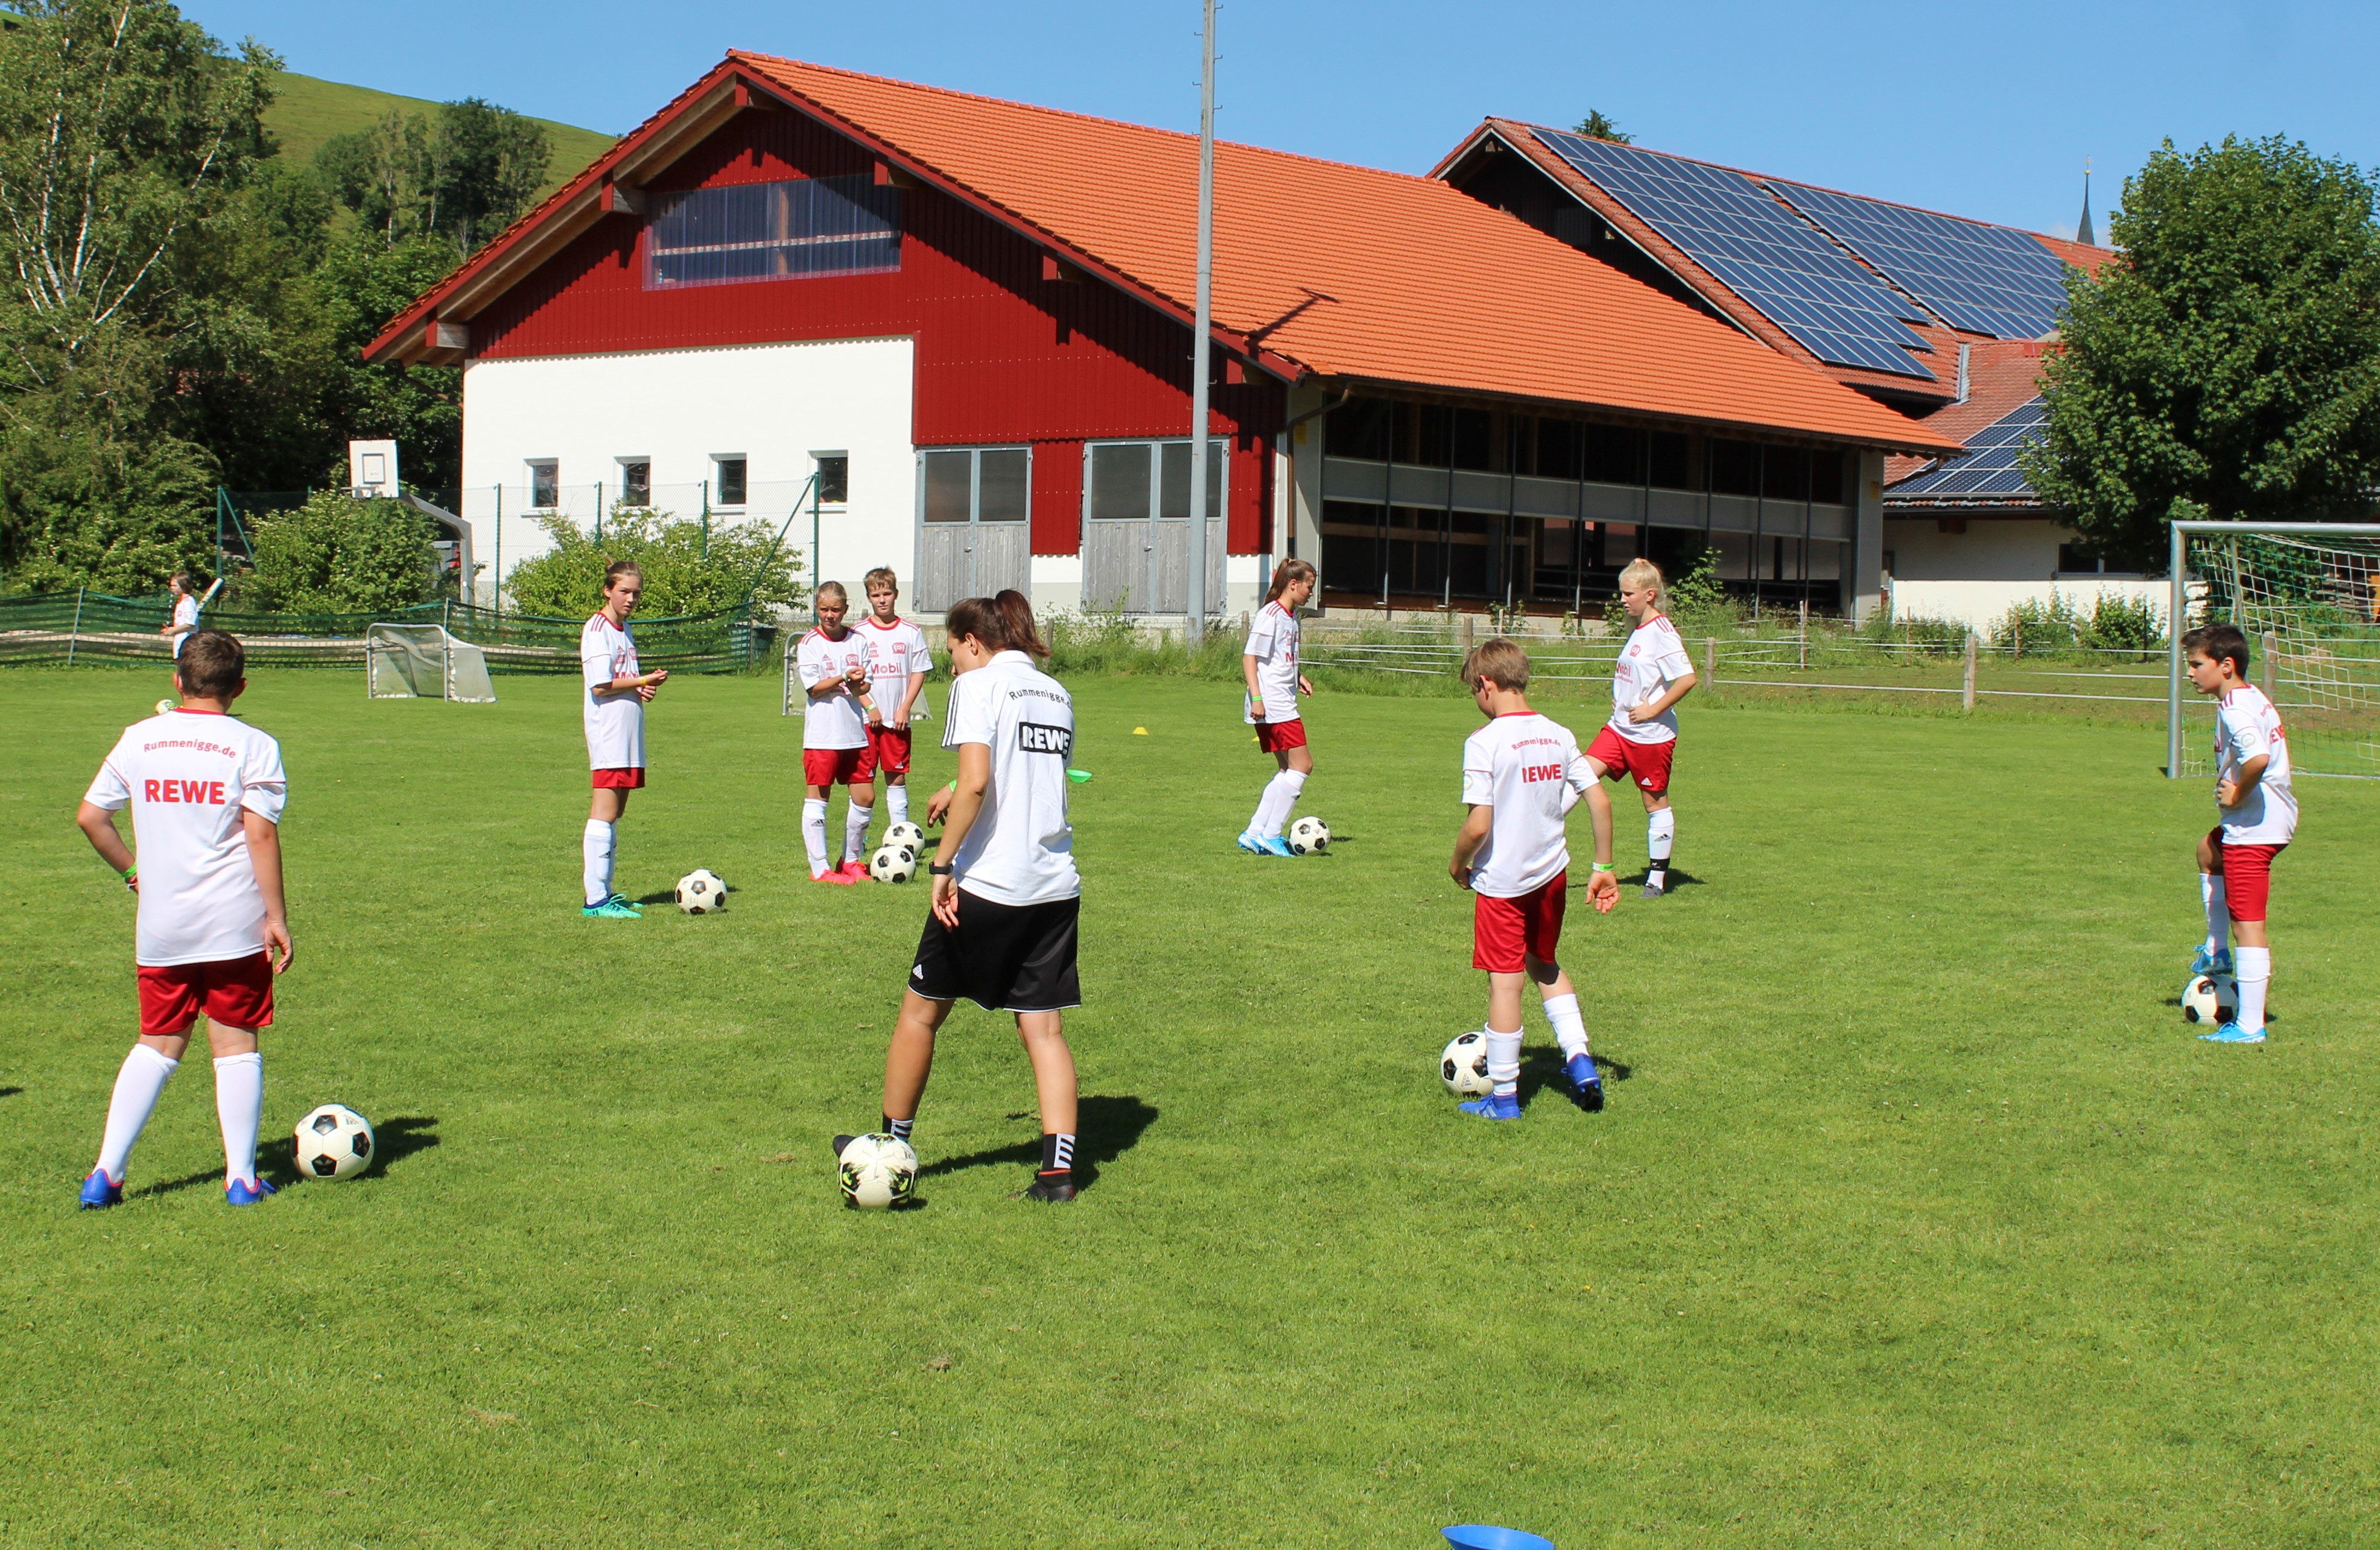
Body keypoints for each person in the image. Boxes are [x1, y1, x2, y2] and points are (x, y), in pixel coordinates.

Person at [836, 590, 1085, 1202]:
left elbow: (979, 780)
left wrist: (943, 864)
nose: (952, 665)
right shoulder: (1056, 692)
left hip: (991, 884)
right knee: (1044, 1030)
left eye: (953, 651)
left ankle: (888, 1145)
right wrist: (956, 785)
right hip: (1054, 885)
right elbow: (1024, 772)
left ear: (973, 641)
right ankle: (1058, 1174)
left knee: (921, 1011)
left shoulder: (977, 686)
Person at [74, 629, 292, 1207]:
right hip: (233, 924)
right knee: (235, 1043)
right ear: (240, 687)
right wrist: (276, 917)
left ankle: (105, 1174)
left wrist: (133, 872)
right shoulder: (254, 744)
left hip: (162, 925)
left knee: (157, 1043)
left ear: (177, 680)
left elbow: (91, 817)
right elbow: (260, 835)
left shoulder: (139, 738)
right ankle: (241, 1179)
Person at [1449, 638, 1619, 1120]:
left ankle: (1504, 1099)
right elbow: (1599, 800)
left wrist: (1457, 863)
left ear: (1486, 684)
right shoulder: (1557, 733)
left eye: (1473, 691)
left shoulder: (1484, 741)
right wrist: (1603, 868)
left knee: (1505, 986)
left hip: (1503, 885)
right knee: (1543, 963)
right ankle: (1579, 1059)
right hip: (1551, 877)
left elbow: (1478, 824)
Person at [2185, 623, 2295, 1045]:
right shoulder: (2248, 697)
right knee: (2208, 851)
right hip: (2264, 821)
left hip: (2254, 829)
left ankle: (2250, 1026)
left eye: (2197, 664)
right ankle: (2215, 951)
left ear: (2225, 665)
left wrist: (2236, 794)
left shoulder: (2234, 709)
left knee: (2247, 925)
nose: (2190, 673)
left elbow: (2258, 758)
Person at [1586, 558, 1697, 898]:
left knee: (1655, 804)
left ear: (1649, 595)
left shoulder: (1663, 632)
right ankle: (1533, 854)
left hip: (1650, 737)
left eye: (1628, 594)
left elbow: (1687, 679)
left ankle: (1657, 880)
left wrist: (1652, 709)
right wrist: (1622, 700)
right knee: (1579, 776)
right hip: (1619, 730)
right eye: (1621, 593)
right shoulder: (1638, 628)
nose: (1622, 600)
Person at [581, 561, 668, 919]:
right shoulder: (597, 628)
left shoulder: (625, 628)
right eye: (624, 591)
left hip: (629, 733)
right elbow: (600, 686)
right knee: (603, 813)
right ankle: (595, 901)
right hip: (609, 733)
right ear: (608, 590)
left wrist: (641, 689)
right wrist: (642, 680)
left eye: (636, 593)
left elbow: (622, 679)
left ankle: (606, 892)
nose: (631, 599)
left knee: (616, 814)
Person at [796, 582, 881, 884]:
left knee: (866, 797)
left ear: (845, 609)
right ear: (817, 608)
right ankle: (820, 869)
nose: (829, 615)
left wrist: (859, 684)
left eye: (835, 610)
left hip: (855, 732)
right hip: (823, 735)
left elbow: (863, 687)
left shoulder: (858, 641)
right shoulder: (809, 643)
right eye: (824, 609)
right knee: (819, 798)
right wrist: (844, 675)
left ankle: (850, 861)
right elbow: (813, 688)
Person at [1237, 559, 1318, 857]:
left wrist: (1298, 676)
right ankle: (1271, 834)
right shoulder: (1270, 614)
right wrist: (1258, 699)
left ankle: (1254, 833)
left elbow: (1277, 658)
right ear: (1293, 584)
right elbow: (1250, 658)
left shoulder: (1291, 617)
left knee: (1287, 769)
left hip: (1280, 700)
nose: (1312, 592)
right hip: (1274, 705)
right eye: (1309, 585)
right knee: (1303, 766)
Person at [857, 567, 935, 834]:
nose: (882, 600)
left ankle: (899, 836)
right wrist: (869, 705)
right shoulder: (858, 633)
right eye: (875, 595)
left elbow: (919, 671)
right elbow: (852, 677)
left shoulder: (911, 632)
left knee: (896, 779)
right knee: (862, 783)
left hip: (897, 720)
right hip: (865, 720)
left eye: (887, 594)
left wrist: (905, 708)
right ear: (869, 597)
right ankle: (856, 842)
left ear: (896, 594)